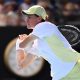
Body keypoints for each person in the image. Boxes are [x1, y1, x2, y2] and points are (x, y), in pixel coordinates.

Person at [16, 5, 80, 80]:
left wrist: (22, 41)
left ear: (39, 18)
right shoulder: (37, 45)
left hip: (75, 68)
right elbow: (21, 65)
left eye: (29, 17)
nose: (26, 20)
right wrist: (18, 43)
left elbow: (23, 44)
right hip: (61, 76)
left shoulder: (45, 25)